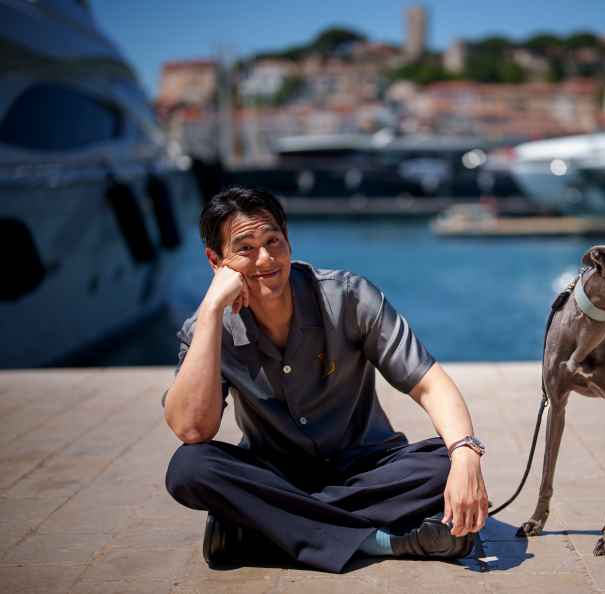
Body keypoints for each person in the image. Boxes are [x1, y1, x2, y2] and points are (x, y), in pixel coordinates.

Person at [162, 187, 489, 573]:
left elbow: (429, 383)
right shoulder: (205, 330)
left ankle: (261, 527)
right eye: (245, 248)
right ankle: (379, 541)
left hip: (367, 469)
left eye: (273, 241)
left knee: (442, 463)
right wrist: (212, 310)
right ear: (216, 261)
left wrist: (466, 455)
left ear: (288, 241)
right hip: (276, 475)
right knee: (190, 468)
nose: (266, 258)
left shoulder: (348, 297)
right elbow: (192, 428)